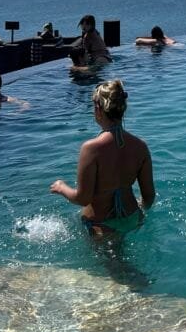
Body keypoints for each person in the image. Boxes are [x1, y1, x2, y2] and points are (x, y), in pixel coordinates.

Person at [50, 79, 155, 236]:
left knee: (114, 261)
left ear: (98, 109)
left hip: (101, 224)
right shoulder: (141, 146)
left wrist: (61, 187)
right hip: (133, 217)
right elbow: (149, 197)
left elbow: (83, 198)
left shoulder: (91, 148)